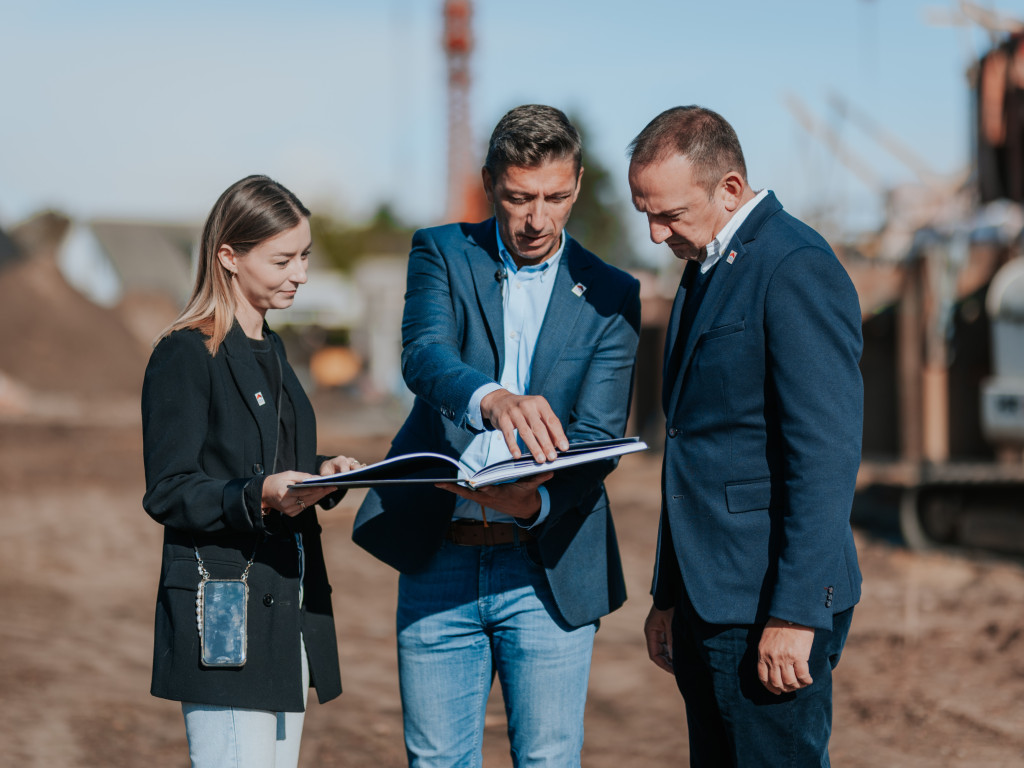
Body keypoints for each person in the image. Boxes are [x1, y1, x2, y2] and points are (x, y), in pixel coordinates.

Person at [353, 104, 641, 767]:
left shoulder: (612, 291)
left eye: (555, 197)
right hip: (439, 560)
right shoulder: (442, 252)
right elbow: (423, 355)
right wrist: (493, 400)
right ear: (490, 183)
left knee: (547, 761)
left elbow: (598, 434)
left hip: (546, 566)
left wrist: (535, 503)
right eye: (518, 198)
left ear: (577, 185)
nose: (536, 218)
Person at [627, 106, 864, 767]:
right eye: (645, 212)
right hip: (708, 597)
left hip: (767, 602)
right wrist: (667, 595)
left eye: (668, 213)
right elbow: (696, 447)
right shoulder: (707, 264)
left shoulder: (794, 266)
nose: (654, 233)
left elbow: (824, 456)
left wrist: (795, 614)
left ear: (729, 188)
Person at [141, 175, 361, 768]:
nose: (302, 273)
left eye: (305, 256)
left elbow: (266, 462)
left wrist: (322, 472)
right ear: (229, 257)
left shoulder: (277, 349)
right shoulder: (185, 354)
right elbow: (168, 491)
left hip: (288, 608)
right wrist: (258, 496)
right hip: (226, 616)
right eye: (284, 258)